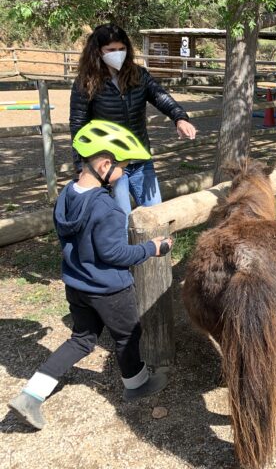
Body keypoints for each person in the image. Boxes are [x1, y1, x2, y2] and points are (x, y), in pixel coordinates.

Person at [8, 120, 173, 430]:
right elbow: (115, 254)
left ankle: (31, 395)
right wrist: (151, 248)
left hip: (77, 284)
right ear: (105, 165)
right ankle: (137, 384)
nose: (124, 172)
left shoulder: (66, 195)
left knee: (82, 339)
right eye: (123, 167)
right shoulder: (107, 209)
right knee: (128, 335)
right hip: (110, 290)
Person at [70, 24, 197, 222]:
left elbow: (161, 97)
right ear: (98, 51)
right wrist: (81, 167)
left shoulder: (139, 75)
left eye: (121, 49)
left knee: (157, 217)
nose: (117, 53)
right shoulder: (85, 82)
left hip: (141, 160)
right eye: (111, 50)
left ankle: (156, 244)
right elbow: (78, 125)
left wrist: (179, 118)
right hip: (109, 164)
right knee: (120, 220)